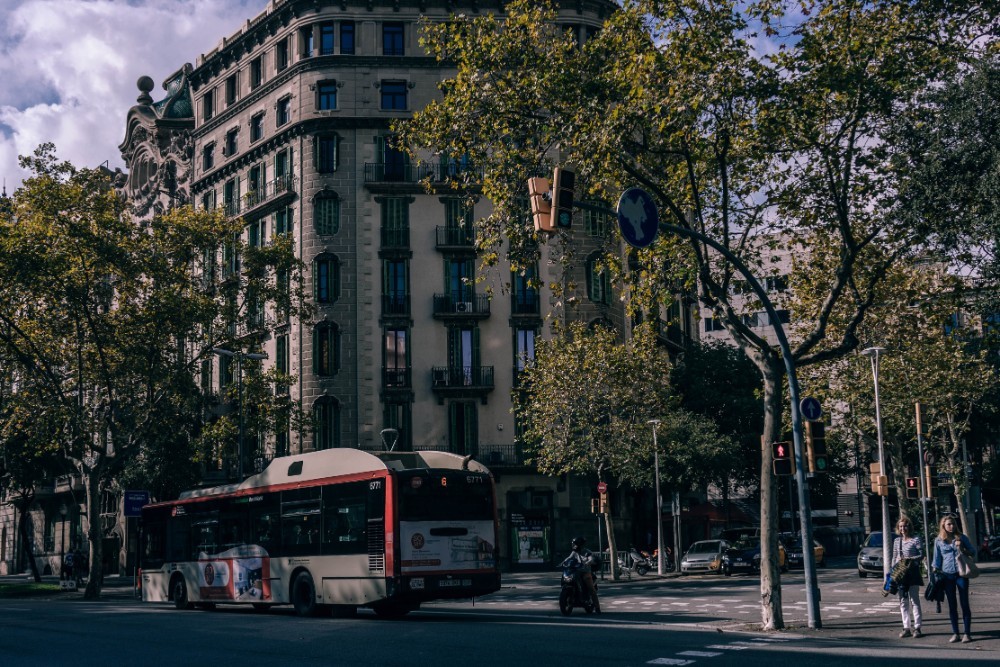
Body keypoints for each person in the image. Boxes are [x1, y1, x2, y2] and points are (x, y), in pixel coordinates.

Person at [932, 515, 976, 643]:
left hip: (961, 573)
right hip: (947, 575)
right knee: (952, 605)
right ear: (943, 526)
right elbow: (936, 560)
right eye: (948, 524)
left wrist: (962, 548)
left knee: (964, 603)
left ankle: (967, 633)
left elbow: (973, 552)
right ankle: (955, 633)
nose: (951, 526)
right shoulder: (938, 540)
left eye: (953, 524)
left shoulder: (961, 538)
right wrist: (935, 575)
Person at [891, 516, 924, 638]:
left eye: (905, 526)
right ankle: (906, 627)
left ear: (909, 527)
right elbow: (894, 557)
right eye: (900, 526)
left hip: (912, 573)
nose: (902, 528)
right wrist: (892, 572)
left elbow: (921, 554)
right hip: (901, 574)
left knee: (914, 600)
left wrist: (909, 559)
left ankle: (918, 627)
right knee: (903, 601)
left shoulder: (916, 539)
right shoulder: (897, 541)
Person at [560, 536, 601, 613]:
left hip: (585, 572)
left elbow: (591, 558)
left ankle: (597, 608)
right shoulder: (574, 552)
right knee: (566, 577)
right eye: (573, 544)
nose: (573, 546)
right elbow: (568, 558)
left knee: (591, 589)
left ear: (580, 544)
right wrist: (563, 562)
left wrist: (589, 562)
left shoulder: (587, 552)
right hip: (576, 571)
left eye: (575, 544)